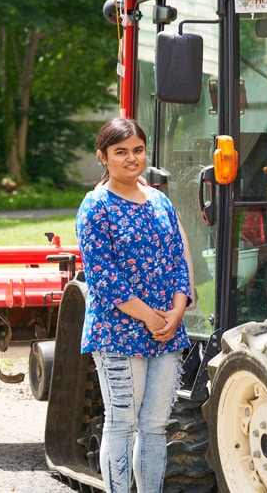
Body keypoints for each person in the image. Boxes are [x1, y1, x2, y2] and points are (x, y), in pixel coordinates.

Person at [75, 117, 191, 493]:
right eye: (120, 152)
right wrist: (152, 318)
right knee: (122, 422)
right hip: (118, 332)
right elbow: (104, 280)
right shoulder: (95, 207)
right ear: (103, 157)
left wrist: (174, 314)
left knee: (156, 426)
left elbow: (178, 262)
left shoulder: (160, 203)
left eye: (137, 150)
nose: (131, 159)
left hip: (166, 331)